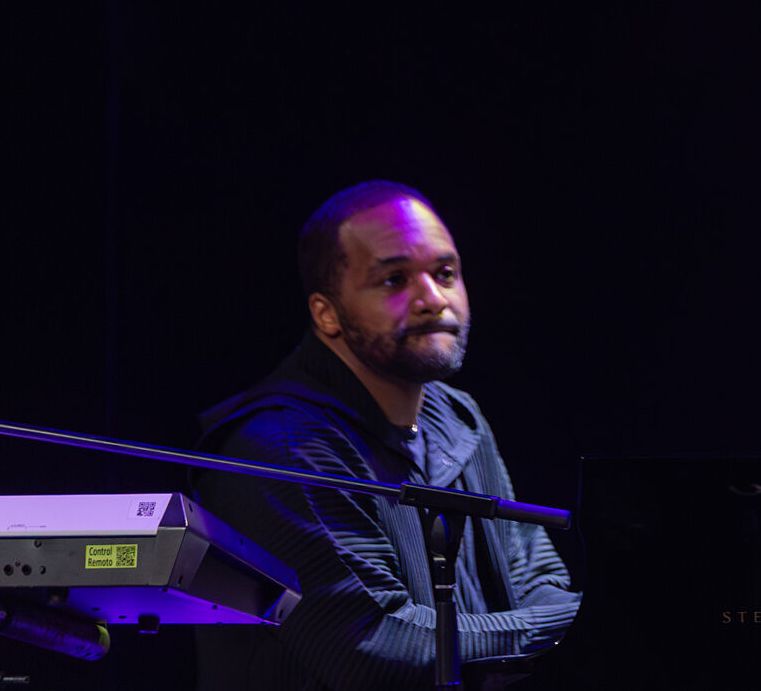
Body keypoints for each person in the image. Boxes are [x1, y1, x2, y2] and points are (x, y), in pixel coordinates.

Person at [194, 181, 579, 690]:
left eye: (445, 274)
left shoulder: (459, 416)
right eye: (394, 280)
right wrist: (570, 625)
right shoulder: (284, 447)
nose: (431, 299)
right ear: (326, 313)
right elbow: (382, 645)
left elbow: (541, 580)